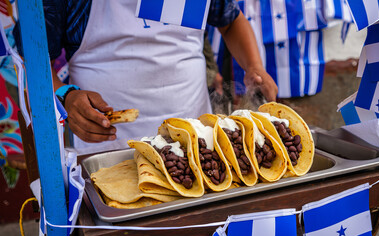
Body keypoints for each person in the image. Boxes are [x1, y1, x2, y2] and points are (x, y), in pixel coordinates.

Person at [26, 0, 278, 154]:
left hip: (197, 144)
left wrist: (254, 66)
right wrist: (65, 96)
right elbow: (35, 65)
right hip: (108, 151)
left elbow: (231, 21)